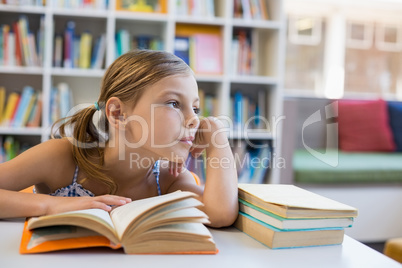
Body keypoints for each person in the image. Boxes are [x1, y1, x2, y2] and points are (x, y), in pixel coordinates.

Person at [0, 50, 238, 227]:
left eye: (195, 109)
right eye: (174, 103)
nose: (194, 119)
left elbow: (219, 215)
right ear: (118, 113)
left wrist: (218, 142)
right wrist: (50, 205)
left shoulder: (167, 178)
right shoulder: (61, 157)